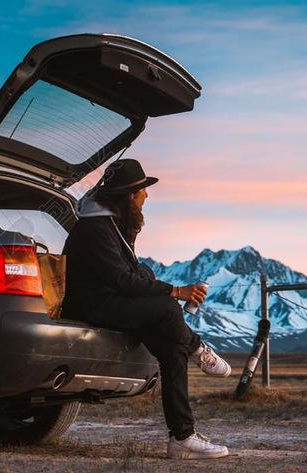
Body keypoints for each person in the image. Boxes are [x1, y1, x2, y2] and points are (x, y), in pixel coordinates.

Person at [61, 158, 232, 460]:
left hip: (111, 302)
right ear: (129, 195)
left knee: (171, 351)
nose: (146, 196)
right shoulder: (95, 228)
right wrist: (175, 292)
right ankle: (198, 348)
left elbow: (132, 274)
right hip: (91, 306)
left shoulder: (112, 225)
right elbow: (122, 281)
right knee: (167, 309)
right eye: (142, 190)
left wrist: (160, 283)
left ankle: (183, 437)